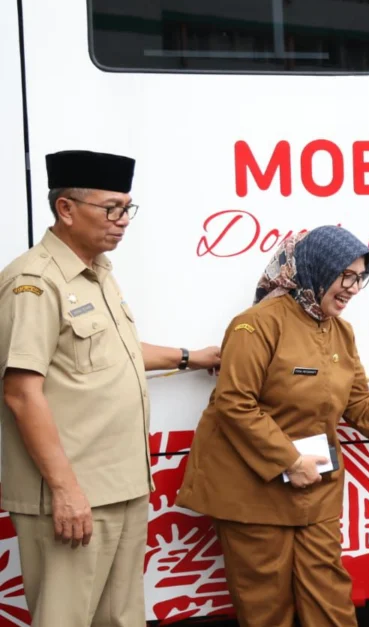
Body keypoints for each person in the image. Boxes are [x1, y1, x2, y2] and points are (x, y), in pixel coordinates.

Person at [175, 225, 369, 627]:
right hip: (253, 487)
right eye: (344, 275)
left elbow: (358, 401)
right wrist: (290, 460)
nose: (352, 288)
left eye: (360, 278)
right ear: (316, 268)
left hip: (315, 487)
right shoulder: (255, 325)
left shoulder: (341, 332)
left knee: (329, 601)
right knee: (266, 608)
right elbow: (233, 402)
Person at [0, 149, 221, 627]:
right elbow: (21, 392)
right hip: (76, 494)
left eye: (127, 209)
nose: (122, 221)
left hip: (120, 486)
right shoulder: (34, 282)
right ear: (66, 209)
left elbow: (114, 350)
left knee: (120, 618)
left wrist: (189, 357)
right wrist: (66, 491)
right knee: (65, 619)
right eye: (111, 209)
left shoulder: (97, 272)